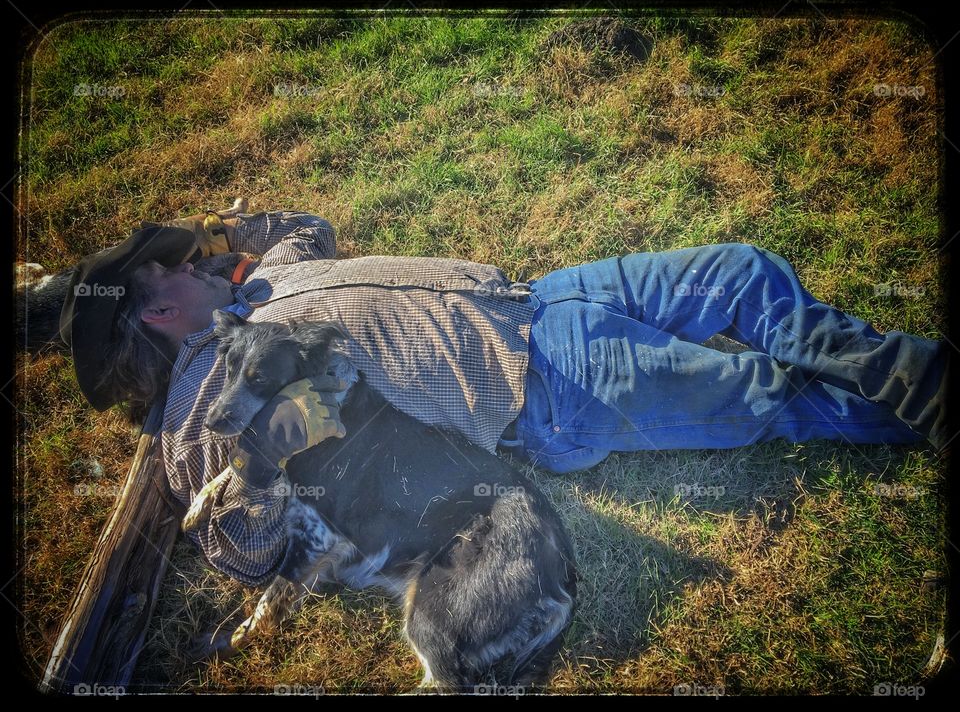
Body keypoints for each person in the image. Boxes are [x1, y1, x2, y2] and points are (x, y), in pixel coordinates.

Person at [58, 209, 949, 586]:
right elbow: (241, 547)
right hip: (547, 390)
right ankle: (932, 395)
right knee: (765, 393)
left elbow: (305, 229)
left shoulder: (257, 284)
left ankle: (904, 370)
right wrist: (258, 468)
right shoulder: (203, 408)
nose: (192, 263)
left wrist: (220, 234)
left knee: (739, 271)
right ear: (160, 312)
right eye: (173, 268)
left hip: (541, 297)